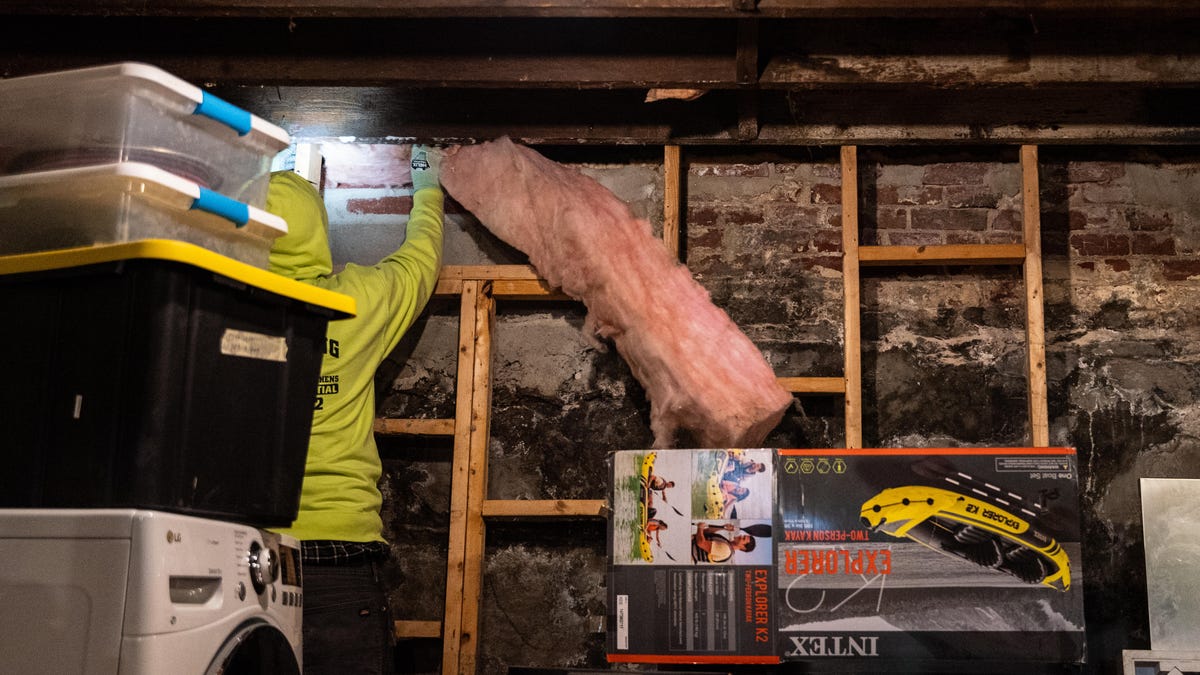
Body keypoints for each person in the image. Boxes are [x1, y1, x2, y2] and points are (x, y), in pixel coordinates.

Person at [266, 145, 445, 674]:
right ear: (316, 231)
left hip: (246, 551)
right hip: (341, 556)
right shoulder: (356, 301)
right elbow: (419, 261)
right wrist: (428, 188)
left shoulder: (214, 309)